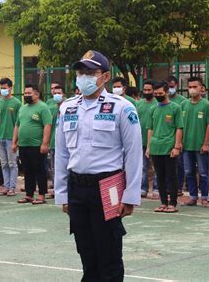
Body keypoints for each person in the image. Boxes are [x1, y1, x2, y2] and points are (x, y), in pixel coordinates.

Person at [55, 50, 142, 281]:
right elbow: (62, 154)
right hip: (77, 188)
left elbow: (133, 153)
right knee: (86, 252)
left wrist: (130, 195)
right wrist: (62, 194)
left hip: (108, 187)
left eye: (90, 72)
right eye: (81, 72)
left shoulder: (122, 107)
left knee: (109, 254)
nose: (84, 77)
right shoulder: (67, 108)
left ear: (105, 76)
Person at [146, 81, 183, 213]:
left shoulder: (175, 108)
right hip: (156, 147)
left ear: (167, 92)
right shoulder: (153, 109)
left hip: (169, 147)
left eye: (160, 93)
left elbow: (179, 128)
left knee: (171, 175)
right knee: (159, 176)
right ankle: (163, 202)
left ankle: (172, 203)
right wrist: (149, 147)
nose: (157, 96)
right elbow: (150, 129)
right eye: (155, 94)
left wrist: (177, 147)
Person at [12, 84, 52, 205]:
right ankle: (29, 194)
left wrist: (45, 143)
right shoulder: (23, 108)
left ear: (37, 94)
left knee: (39, 170)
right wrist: (14, 142)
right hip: (23, 145)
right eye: (25, 93)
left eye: (29, 93)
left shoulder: (43, 107)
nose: (27, 95)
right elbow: (17, 125)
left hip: (37, 145)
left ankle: (41, 195)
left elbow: (47, 125)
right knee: (27, 170)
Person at [181, 76, 209, 207]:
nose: (192, 89)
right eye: (190, 87)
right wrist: (180, 142)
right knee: (189, 172)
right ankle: (193, 197)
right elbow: (180, 125)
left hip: (201, 146)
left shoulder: (207, 105)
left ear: (201, 88)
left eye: (195, 87)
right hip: (186, 146)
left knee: (203, 173)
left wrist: (206, 143)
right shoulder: (183, 104)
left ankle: (205, 197)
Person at [0, 78, 21, 196]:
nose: (3, 90)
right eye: (1, 88)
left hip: (11, 138)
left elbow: (18, 123)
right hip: (0, 137)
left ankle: (12, 188)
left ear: (10, 88)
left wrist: (16, 140)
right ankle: (6, 186)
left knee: (12, 163)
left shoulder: (17, 103)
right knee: (3, 163)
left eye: (5, 88)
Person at [137, 80, 158, 198]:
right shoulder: (139, 104)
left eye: (149, 90)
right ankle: (143, 188)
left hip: (155, 141)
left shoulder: (157, 104)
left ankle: (156, 188)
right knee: (143, 167)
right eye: (145, 90)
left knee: (156, 167)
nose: (147, 92)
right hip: (141, 141)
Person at [167, 75, 187, 194]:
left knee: (179, 164)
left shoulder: (182, 102)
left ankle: (178, 187)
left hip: (178, 138)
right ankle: (168, 187)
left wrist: (180, 142)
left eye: (172, 87)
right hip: (166, 138)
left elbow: (182, 124)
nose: (170, 89)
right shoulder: (161, 101)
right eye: (168, 87)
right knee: (166, 166)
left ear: (177, 86)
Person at [47, 85, 65, 197]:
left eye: (59, 93)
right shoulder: (52, 109)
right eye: (55, 93)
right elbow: (50, 126)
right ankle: (55, 189)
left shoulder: (68, 107)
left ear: (63, 95)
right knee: (53, 167)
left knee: (65, 167)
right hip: (54, 143)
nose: (56, 95)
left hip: (66, 144)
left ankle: (66, 189)